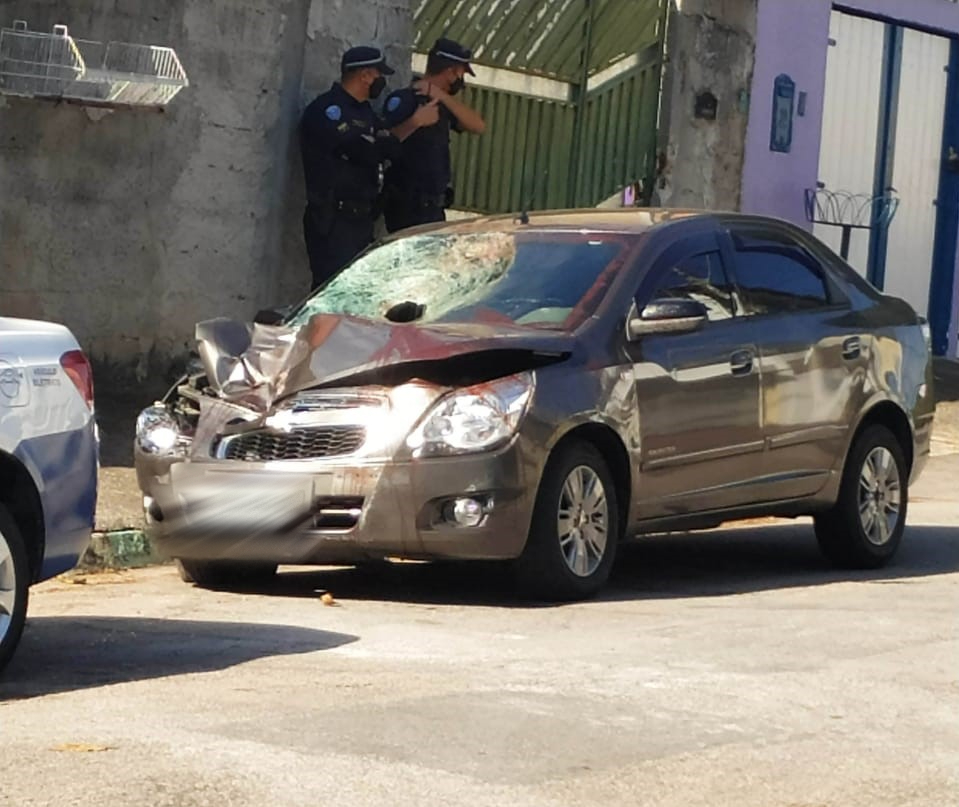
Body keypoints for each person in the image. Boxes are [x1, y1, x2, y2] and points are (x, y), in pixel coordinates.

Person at [300, 46, 405, 291]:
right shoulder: (328, 110)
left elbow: (392, 148)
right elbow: (365, 153)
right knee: (332, 292)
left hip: (362, 219)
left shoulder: (366, 112)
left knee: (356, 295)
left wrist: (380, 145)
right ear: (365, 75)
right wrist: (377, 146)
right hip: (334, 218)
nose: (382, 81)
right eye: (379, 74)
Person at [381, 37, 486, 233]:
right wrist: (416, 121)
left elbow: (478, 126)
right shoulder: (405, 99)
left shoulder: (442, 104)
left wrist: (441, 95)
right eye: (461, 74)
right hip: (407, 204)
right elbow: (385, 142)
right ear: (450, 72)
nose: (461, 81)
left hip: (434, 206)